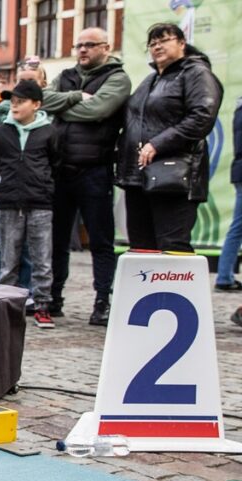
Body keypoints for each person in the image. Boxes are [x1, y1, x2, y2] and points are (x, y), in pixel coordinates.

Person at [41, 29, 130, 326]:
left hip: (95, 170)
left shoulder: (117, 77)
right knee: (57, 240)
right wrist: (76, 96)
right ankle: (53, 298)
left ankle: (102, 300)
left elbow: (98, 110)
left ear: (106, 46)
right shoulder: (66, 75)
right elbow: (42, 99)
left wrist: (64, 107)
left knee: (101, 241)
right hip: (60, 170)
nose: (81, 50)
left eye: (88, 45)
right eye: (78, 44)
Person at [115, 23, 223, 254]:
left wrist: (158, 143)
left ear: (182, 43)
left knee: (172, 247)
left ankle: (174, 291)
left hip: (174, 176)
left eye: (164, 40)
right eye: (152, 43)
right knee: (142, 249)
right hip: (138, 177)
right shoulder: (150, 81)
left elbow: (202, 116)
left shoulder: (196, 73)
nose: (157, 46)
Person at [0, 80, 61, 329]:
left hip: (40, 203)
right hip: (9, 202)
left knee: (42, 258)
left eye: (21, 101)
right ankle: (6, 306)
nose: (15, 105)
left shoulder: (49, 132)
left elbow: (56, 165)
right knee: (9, 258)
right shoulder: (1, 132)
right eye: (13, 101)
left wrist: (48, 189)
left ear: (36, 105)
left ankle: (42, 305)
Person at [214, 96, 242, 292]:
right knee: (238, 226)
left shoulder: (239, 108)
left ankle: (224, 275)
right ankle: (224, 275)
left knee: (238, 226)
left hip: (239, 169)